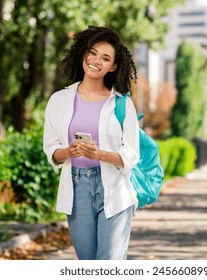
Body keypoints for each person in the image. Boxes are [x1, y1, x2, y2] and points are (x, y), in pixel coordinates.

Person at [43, 26, 139, 260]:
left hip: (114, 189)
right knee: (87, 264)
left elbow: (132, 154)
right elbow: (51, 148)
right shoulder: (59, 100)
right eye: (93, 53)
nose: (96, 61)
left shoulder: (121, 104)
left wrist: (100, 155)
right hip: (77, 190)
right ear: (84, 54)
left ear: (113, 66)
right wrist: (68, 151)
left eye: (105, 58)